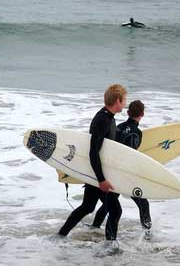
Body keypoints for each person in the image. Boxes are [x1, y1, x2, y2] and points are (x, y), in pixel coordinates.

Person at [58, 84, 127, 252]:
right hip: (98, 174)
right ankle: (110, 247)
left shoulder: (110, 117)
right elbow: (93, 151)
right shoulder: (102, 120)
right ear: (117, 101)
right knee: (115, 210)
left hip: (96, 172)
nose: (125, 103)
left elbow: (107, 148)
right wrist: (101, 179)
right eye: (124, 100)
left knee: (88, 206)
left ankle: (60, 235)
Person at [91, 100, 153, 240]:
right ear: (142, 114)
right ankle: (147, 233)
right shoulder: (136, 132)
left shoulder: (118, 127)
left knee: (112, 200)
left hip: (112, 171)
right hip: (124, 174)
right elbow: (129, 154)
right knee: (143, 203)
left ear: (128, 112)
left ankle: (95, 226)